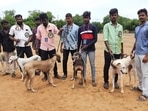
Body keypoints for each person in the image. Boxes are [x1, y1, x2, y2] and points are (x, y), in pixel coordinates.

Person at [36, 13, 61, 80]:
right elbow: (38, 38)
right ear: (41, 21)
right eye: (42, 21)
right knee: (43, 63)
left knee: (54, 62)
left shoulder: (52, 26)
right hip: (43, 48)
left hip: (52, 48)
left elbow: (58, 33)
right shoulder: (39, 27)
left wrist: (60, 31)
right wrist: (37, 48)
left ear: (47, 19)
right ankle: (45, 76)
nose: (44, 22)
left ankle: (56, 74)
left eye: (45, 20)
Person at [103, 8, 123, 89]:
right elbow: (105, 39)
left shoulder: (120, 27)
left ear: (117, 16)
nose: (113, 17)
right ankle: (106, 82)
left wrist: (122, 51)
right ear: (109, 16)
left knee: (117, 67)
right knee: (107, 66)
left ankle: (115, 82)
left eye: (115, 15)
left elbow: (121, 39)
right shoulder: (106, 26)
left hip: (117, 50)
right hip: (108, 51)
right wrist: (109, 49)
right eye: (112, 15)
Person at [131, 8, 148, 101]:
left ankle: (145, 94)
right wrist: (132, 51)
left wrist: (147, 55)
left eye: (143, 15)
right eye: (139, 15)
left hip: (145, 54)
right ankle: (141, 87)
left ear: (146, 16)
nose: (141, 17)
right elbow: (136, 41)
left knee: (145, 74)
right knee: (139, 72)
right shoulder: (137, 28)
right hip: (137, 53)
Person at [77, 11, 98, 87]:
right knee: (83, 65)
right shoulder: (80, 28)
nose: (86, 19)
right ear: (83, 18)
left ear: (89, 18)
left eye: (87, 17)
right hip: (83, 50)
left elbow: (95, 39)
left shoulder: (93, 27)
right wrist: (77, 50)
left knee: (92, 64)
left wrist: (87, 45)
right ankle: (83, 78)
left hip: (91, 49)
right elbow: (79, 41)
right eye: (84, 17)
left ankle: (93, 80)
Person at [60, 13, 79, 80]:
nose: (68, 20)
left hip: (74, 47)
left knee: (74, 61)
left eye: (69, 18)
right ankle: (65, 74)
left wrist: (77, 48)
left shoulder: (76, 27)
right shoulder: (64, 27)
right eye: (66, 18)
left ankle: (75, 74)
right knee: (64, 60)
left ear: (72, 18)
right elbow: (62, 37)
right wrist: (61, 47)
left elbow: (78, 38)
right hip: (66, 47)